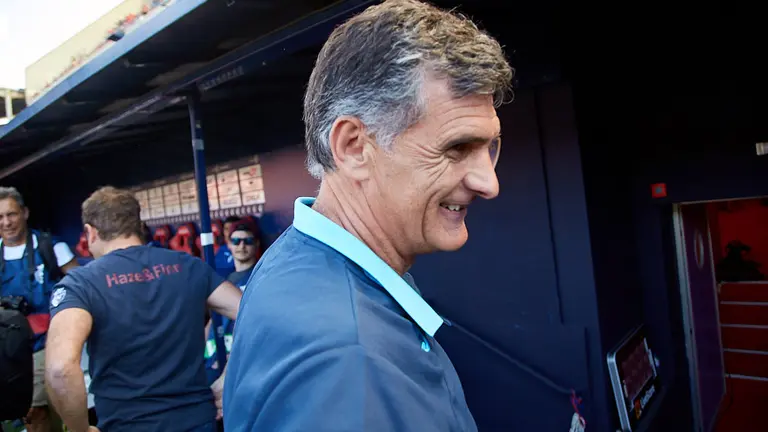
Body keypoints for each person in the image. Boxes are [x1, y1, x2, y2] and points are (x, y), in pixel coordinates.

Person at [223, 0, 512, 430]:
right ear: (354, 147)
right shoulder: (349, 361)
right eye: (457, 148)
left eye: (490, 146)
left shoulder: (301, 260)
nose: (489, 183)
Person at [44, 187, 242, 432]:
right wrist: (230, 374)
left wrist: (79, 429)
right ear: (137, 224)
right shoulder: (189, 267)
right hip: (197, 421)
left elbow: (60, 369)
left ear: (90, 232)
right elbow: (256, 317)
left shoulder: (80, 284)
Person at [0, 186, 79, 432]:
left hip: (47, 342)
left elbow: (83, 286)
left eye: (11, 214)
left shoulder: (51, 247)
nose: (6, 222)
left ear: (25, 212)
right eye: (0, 217)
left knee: (37, 411)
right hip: (7, 348)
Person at [204, 219, 261, 386]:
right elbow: (212, 319)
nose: (241, 246)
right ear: (229, 245)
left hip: (237, 360)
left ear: (256, 244)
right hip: (213, 356)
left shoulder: (260, 277)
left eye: (247, 241)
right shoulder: (226, 280)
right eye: (236, 241)